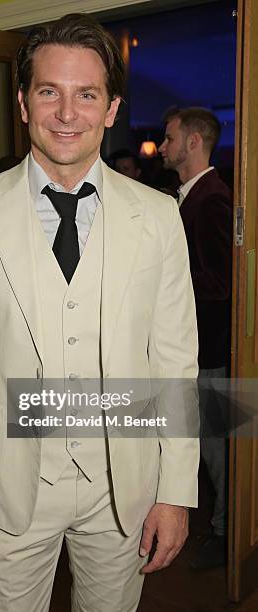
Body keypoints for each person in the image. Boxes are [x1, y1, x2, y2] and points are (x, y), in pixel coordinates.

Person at [0, 14, 199, 612]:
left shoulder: (158, 217)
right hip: (4, 487)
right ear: (24, 103)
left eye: (86, 95)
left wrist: (176, 491)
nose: (67, 113)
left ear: (112, 108)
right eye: (50, 91)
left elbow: (175, 362)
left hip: (124, 485)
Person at [159, 107, 233, 570]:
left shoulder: (211, 199)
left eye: (168, 138)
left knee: (214, 445)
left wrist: (165, 282)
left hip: (206, 346)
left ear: (192, 143)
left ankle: (227, 534)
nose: (161, 146)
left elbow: (222, 282)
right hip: (189, 345)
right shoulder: (187, 195)